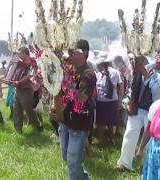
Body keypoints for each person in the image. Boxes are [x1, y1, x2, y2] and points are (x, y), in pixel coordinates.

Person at [117, 46, 160, 171]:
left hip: (156, 111)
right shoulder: (149, 66)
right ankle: (124, 164)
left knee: (150, 139)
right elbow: (135, 85)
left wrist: (146, 75)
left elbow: (159, 91)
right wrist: (128, 100)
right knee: (129, 134)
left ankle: (146, 165)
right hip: (138, 107)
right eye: (159, 55)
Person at [59, 39, 96, 180]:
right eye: (71, 52)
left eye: (75, 52)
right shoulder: (69, 70)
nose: (71, 55)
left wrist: (65, 87)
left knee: (73, 159)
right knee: (66, 156)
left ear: (84, 53)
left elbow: (81, 98)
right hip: (66, 119)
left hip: (79, 122)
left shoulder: (89, 74)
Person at [12, 47, 43, 133]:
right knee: (16, 109)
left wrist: (19, 82)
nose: (19, 55)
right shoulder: (19, 62)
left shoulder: (32, 62)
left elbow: (30, 75)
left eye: (20, 53)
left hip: (27, 89)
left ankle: (38, 125)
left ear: (24, 53)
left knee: (28, 109)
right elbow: (14, 73)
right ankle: (18, 130)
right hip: (18, 89)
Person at [95, 58, 124, 144]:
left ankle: (111, 139)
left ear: (103, 64)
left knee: (112, 121)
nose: (97, 67)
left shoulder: (115, 72)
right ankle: (101, 140)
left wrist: (120, 100)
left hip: (112, 101)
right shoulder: (99, 73)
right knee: (100, 121)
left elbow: (120, 86)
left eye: (98, 65)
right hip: (100, 101)